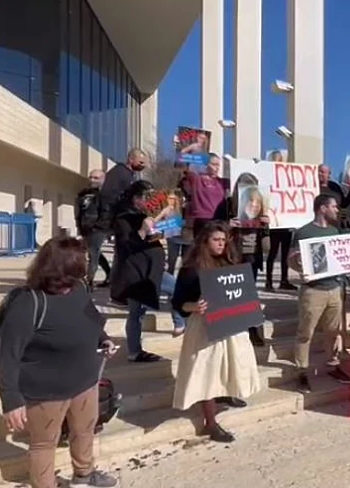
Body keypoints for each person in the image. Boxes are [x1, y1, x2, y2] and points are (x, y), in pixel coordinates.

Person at [0, 237, 118, 488]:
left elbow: (92, 319)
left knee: (84, 431)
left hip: (85, 381)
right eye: (82, 261)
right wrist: (11, 400)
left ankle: (84, 474)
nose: (87, 264)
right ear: (64, 267)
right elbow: (8, 355)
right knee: (44, 444)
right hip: (46, 392)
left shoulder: (79, 288)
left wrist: (104, 339)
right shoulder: (28, 302)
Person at [171, 221, 262, 443]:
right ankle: (210, 423)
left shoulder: (230, 263)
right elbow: (178, 302)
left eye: (223, 240)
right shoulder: (191, 269)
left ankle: (226, 393)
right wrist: (194, 306)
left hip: (230, 324)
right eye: (216, 240)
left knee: (231, 364)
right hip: (204, 327)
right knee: (207, 372)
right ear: (205, 241)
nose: (221, 244)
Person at [110, 180, 186, 357]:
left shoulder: (145, 214)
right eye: (146, 197)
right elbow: (127, 245)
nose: (150, 201)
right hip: (137, 273)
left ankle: (179, 323)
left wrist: (168, 220)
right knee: (137, 312)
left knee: (178, 289)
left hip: (154, 269)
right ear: (136, 199)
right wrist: (143, 231)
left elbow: (157, 233)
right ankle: (134, 352)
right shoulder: (124, 219)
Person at [289, 194, 346, 393]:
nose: (337, 210)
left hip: (334, 289)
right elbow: (291, 260)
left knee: (333, 332)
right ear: (322, 208)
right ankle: (301, 371)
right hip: (313, 291)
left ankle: (332, 365)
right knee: (305, 333)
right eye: (334, 206)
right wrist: (297, 262)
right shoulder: (303, 232)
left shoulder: (334, 231)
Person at [229, 175, 268, 347]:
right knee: (235, 293)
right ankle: (236, 327)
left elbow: (265, 236)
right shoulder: (229, 204)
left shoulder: (259, 204)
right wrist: (228, 224)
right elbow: (215, 227)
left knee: (250, 293)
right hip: (236, 254)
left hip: (253, 254)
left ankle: (253, 329)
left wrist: (266, 224)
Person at [75, 169, 111, 290]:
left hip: (98, 229)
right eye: (91, 177)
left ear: (103, 179)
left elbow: (106, 213)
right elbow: (79, 212)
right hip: (86, 228)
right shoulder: (84, 194)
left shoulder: (106, 195)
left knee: (92, 255)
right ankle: (110, 275)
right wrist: (80, 227)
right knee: (95, 254)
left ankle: (88, 283)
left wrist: (99, 226)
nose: (92, 180)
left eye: (96, 178)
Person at [99, 148, 148, 231]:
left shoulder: (129, 174)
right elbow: (108, 194)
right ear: (131, 160)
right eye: (140, 162)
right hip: (110, 216)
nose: (142, 165)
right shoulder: (120, 172)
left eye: (144, 163)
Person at [181, 153, 229, 237]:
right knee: (202, 244)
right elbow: (183, 160)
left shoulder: (222, 182)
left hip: (220, 219)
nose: (216, 168)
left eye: (218, 165)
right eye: (213, 164)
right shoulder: (196, 178)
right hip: (203, 219)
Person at [157, 190, 186, 276]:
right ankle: (170, 278)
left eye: (173, 198)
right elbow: (157, 220)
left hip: (183, 237)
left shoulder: (183, 209)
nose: (171, 200)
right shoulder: (166, 210)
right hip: (171, 237)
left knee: (186, 261)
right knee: (172, 260)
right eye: (169, 198)